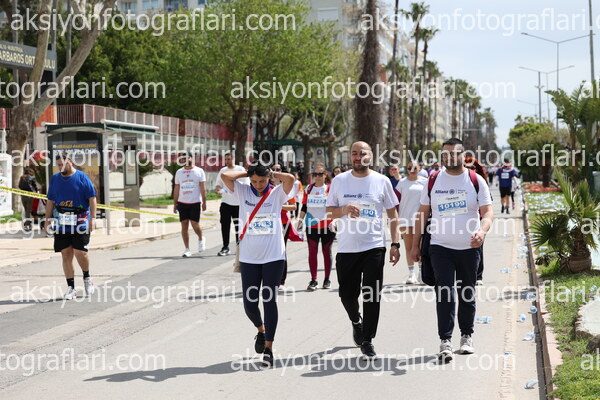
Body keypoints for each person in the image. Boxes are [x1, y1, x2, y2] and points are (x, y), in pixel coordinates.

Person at [410, 138, 493, 362]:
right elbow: (422, 213)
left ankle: (466, 336)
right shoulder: (434, 180)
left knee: (467, 292)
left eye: (454, 153)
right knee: (444, 292)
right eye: (445, 154)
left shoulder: (475, 180)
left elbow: (487, 212)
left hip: (469, 247)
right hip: (440, 246)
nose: (449, 157)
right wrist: (415, 245)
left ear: (463, 155)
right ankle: (445, 340)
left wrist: (482, 231)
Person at [326, 141, 401, 360]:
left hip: (374, 246)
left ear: (371, 156)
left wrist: (395, 244)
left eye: (363, 153)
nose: (358, 157)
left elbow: (393, 214)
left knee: (372, 295)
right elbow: (329, 212)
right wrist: (344, 209)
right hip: (347, 248)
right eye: (354, 154)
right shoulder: (339, 181)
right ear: (350, 156)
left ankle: (367, 340)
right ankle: (355, 321)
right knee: (347, 295)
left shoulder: (382, 181)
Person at [220, 163, 294, 368]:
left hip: (273, 256)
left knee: (269, 300)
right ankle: (261, 330)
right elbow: (225, 176)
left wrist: (272, 173)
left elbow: (290, 179)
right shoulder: (242, 191)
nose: (258, 184)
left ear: (268, 178)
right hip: (249, 258)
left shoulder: (277, 193)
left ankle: (269, 348)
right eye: (254, 181)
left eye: (262, 181)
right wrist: (247, 173)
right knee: (250, 304)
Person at [44, 154, 97, 300]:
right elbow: (50, 201)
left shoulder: (82, 177)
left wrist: (93, 218)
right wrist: (47, 221)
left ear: (70, 162)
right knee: (66, 253)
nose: (60, 167)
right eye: (58, 165)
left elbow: (92, 198)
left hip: (80, 219)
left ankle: (87, 277)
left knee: (80, 252)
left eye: (62, 164)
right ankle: (71, 288)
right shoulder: (55, 179)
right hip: (62, 221)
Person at [297, 165, 334, 290]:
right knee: (312, 252)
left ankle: (327, 279)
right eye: (315, 174)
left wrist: (334, 221)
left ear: (325, 175)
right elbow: (304, 206)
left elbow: (335, 207)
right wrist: (300, 221)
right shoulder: (309, 189)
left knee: (326, 252)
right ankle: (314, 280)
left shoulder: (330, 189)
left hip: (327, 225)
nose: (317, 177)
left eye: (320, 174)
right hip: (311, 225)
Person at [396, 161, 427, 285]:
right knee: (408, 247)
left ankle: (421, 274)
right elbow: (396, 201)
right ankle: (411, 274)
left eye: (414, 168)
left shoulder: (425, 182)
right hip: (405, 219)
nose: (412, 170)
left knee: (420, 247)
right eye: (409, 168)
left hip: (421, 220)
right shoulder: (402, 183)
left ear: (420, 168)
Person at [173, 152, 207, 257]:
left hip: (195, 202)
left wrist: (204, 202)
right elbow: (177, 188)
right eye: (182, 158)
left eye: (186, 158)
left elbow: (202, 188)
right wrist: (175, 203)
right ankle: (187, 249)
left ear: (191, 158)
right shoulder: (179, 172)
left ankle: (201, 238)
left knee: (195, 224)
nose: (184, 160)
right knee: (184, 225)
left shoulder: (199, 171)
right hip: (182, 202)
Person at [215, 152, 248, 256]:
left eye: (229, 159)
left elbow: (246, 185)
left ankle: (239, 247)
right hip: (226, 202)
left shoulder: (240, 169)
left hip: (238, 203)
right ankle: (225, 247)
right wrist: (218, 189)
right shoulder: (223, 171)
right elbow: (218, 184)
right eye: (225, 159)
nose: (227, 161)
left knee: (238, 226)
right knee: (225, 225)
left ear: (233, 159)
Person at [465, 157, 491, 286]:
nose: (470, 170)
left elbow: (488, 206)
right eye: (467, 167)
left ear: (477, 169)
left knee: (478, 246)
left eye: (473, 168)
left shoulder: (480, 182)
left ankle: (478, 276)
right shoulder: (457, 182)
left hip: (478, 220)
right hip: (462, 220)